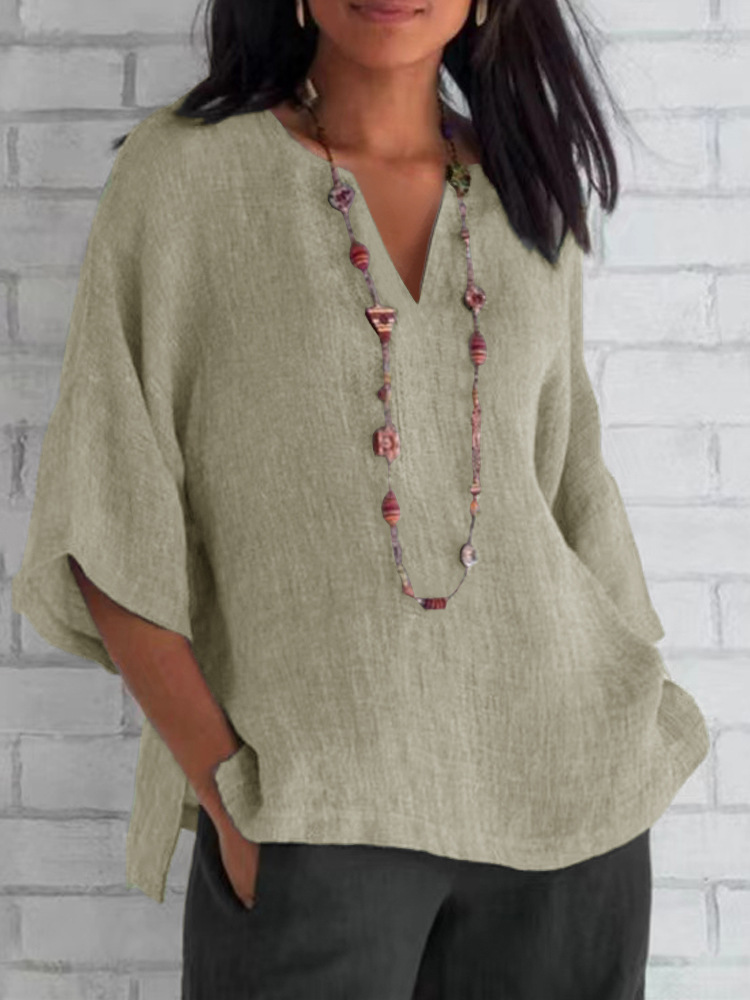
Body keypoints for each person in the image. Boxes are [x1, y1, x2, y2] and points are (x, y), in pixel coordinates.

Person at [12, 0, 711, 996]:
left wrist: (630, 707)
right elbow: (106, 514)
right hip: (316, 819)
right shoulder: (187, 179)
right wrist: (230, 799)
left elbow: (566, 484)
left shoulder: (525, 193)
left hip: (567, 810)